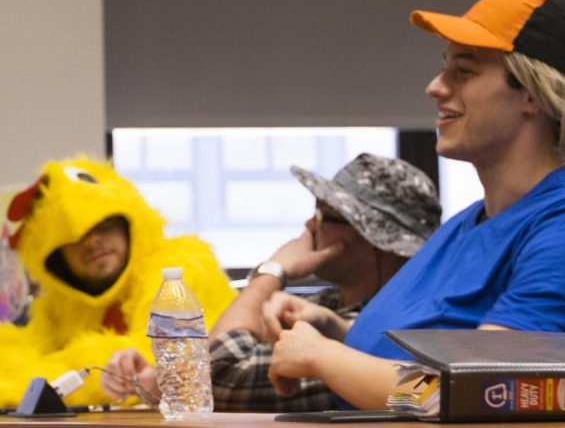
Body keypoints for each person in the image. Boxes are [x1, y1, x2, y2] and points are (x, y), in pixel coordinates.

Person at [264, 0, 565, 409]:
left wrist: (322, 356)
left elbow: (471, 393)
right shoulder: (469, 223)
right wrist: (335, 329)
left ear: (534, 93)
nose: (436, 87)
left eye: (464, 71)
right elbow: (431, 350)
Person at [101, 153, 442, 412]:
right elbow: (202, 379)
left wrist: (272, 272)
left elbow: (218, 377)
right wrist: (156, 377)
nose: (310, 224)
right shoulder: (324, 307)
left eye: (326, 215)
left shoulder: (398, 324)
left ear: (375, 241)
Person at [0, 156, 236, 407]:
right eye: (74, 238)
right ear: (55, 258)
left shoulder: (180, 269)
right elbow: (21, 352)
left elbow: (157, 363)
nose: (92, 242)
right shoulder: (61, 305)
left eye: (104, 225)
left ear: (129, 223)